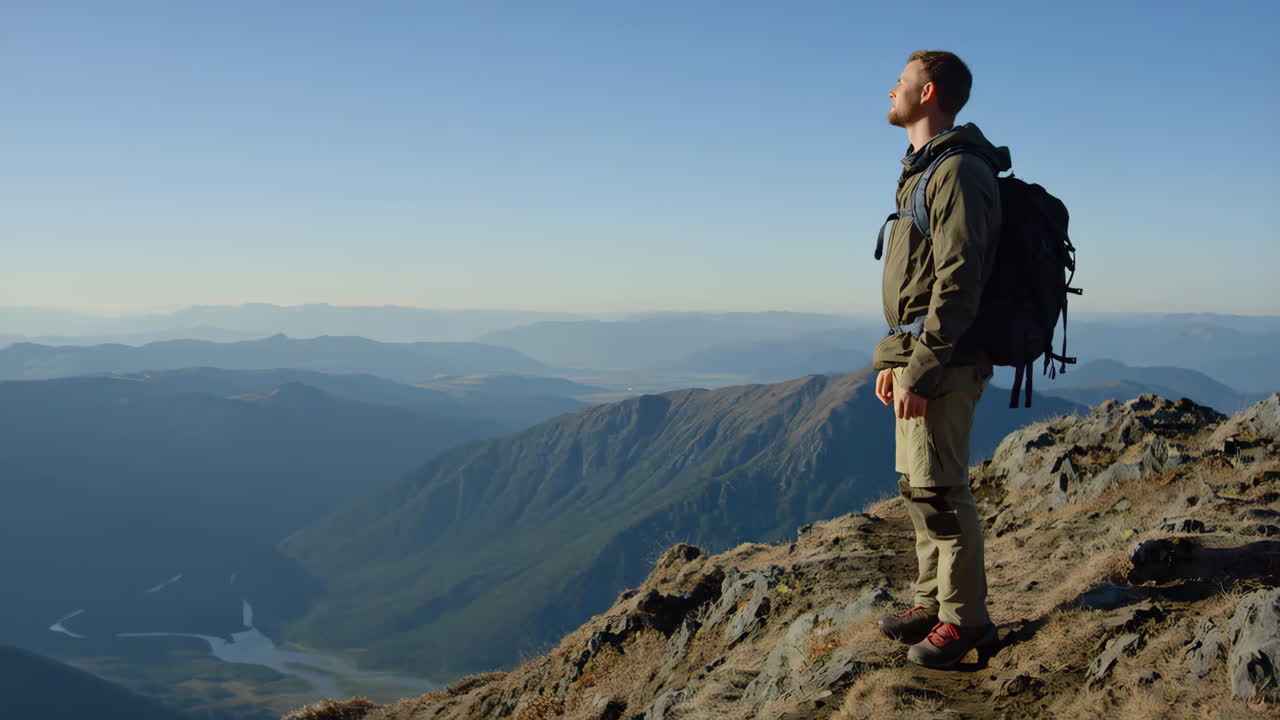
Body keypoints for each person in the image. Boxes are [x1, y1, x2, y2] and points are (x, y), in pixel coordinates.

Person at [872, 50, 1010, 668]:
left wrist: (922, 367)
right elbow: (915, 282)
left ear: (927, 93)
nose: (890, 89)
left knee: (945, 495)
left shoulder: (957, 172)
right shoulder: (923, 170)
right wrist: (893, 357)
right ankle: (933, 600)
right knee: (918, 488)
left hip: (944, 363)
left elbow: (959, 282)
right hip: (920, 357)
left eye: (900, 81)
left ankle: (967, 621)